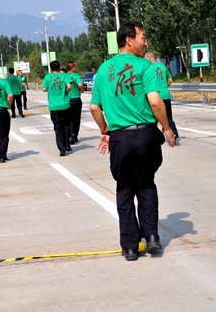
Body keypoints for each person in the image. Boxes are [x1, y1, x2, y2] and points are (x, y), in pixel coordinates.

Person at [90, 21, 175, 262]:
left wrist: (105, 130)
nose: (145, 42)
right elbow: (156, 101)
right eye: (143, 37)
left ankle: (129, 246)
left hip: (119, 139)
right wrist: (166, 127)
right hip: (146, 135)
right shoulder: (145, 66)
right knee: (146, 185)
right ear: (129, 40)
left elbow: (95, 107)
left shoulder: (103, 70)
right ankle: (151, 237)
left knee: (125, 189)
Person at [144, 51, 179, 139]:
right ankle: (173, 132)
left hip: (154, 96)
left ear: (149, 58)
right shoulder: (163, 67)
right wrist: (164, 87)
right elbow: (170, 80)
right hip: (165, 95)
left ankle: (154, 135)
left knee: (152, 117)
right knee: (168, 117)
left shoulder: (148, 68)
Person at [42, 60, 72, 156]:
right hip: (65, 104)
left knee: (58, 127)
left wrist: (49, 89)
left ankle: (61, 147)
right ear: (59, 68)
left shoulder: (47, 77)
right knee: (66, 125)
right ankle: (67, 145)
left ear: (50, 68)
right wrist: (66, 92)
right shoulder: (64, 76)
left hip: (54, 106)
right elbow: (69, 85)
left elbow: (43, 89)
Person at [65, 61, 84, 145]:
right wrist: (82, 90)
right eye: (75, 67)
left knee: (68, 118)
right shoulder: (76, 76)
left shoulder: (64, 76)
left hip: (67, 99)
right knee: (76, 118)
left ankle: (70, 134)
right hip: (76, 99)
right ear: (72, 68)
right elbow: (80, 85)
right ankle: (74, 135)